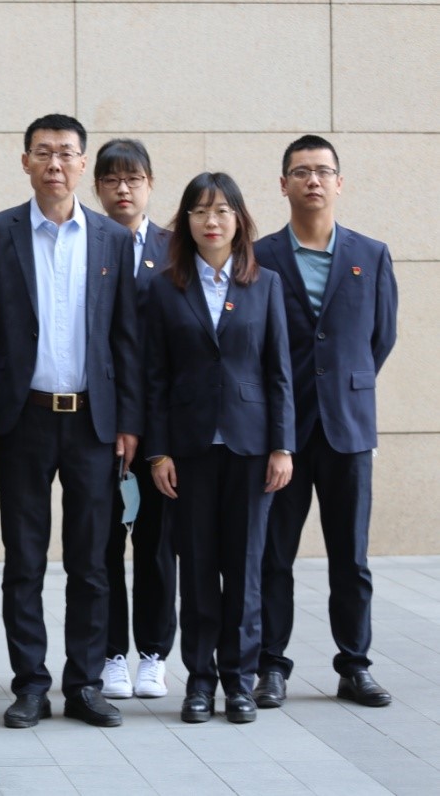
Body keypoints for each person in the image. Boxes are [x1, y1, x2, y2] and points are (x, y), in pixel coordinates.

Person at [0, 113, 141, 729]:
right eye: (43, 152)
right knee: (24, 560)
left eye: (67, 152)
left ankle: (85, 683)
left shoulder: (112, 239)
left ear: (82, 163)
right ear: (26, 162)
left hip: (93, 422)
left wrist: (129, 421)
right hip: (24, 420)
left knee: (92, 562)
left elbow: (126, 337)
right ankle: (31, 685)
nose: (55, 164)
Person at [145, 171, 295, 725]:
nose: (212, 221)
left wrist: (282, 446)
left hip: (251, 447)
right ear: (185, 220)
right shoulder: (164, 287)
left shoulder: (265, 284)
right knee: (198, 569)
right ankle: (200, 683)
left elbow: (279, 373)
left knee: (246, 566)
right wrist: (158, 452)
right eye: (200, 211)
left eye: (222, 211)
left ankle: (238, 680)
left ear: (239, 220)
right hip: (188, 450)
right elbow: (154, 378)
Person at [254, 136, 398, 709]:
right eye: (300, 172)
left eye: (322, 171)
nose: (312, 180)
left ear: (339, 182)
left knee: (351, 558)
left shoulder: (372, 254)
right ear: (283, 184)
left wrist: (344, 386)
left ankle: (354, 665)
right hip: (281, 434)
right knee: (273, 557)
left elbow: (380, 338)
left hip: (347, 427)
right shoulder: (259, 256)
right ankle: (271, 666)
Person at [90, 139, 176, 701]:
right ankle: (111, 654)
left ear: (149, 184)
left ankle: (154, 654)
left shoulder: (175, 249)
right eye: (112, 179)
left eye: (134, 179)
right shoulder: (86, 242)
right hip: (99, 422)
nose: (123, 189)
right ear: (97, 186)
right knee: (100, 545)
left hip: (160, 423)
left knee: (157, 544)